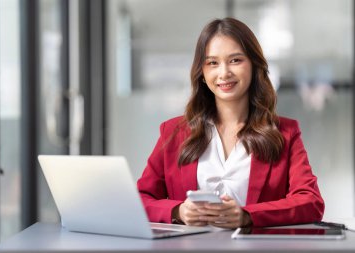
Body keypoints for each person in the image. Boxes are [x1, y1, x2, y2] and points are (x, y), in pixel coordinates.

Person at [137, 17, 324, 229]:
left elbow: (311, 202)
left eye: (235, 60)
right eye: (212, 63)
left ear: (254, 65)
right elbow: (140, 199)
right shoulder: (173, 132)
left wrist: (247, 216)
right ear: (202, 72)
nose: (224, 73)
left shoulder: (285, 133)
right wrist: (178, 211)